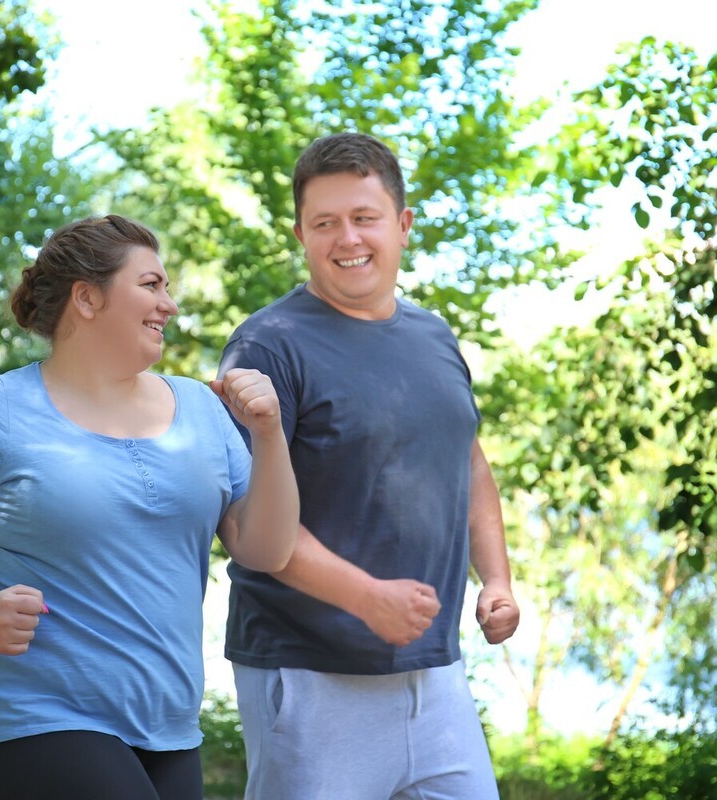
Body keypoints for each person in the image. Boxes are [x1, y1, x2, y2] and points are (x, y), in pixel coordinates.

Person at [0, 214, 299, 800]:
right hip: (33, 715)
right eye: (151, 285)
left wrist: (271, 432)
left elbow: (268, 549)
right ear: (87, 298)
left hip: (168, 725)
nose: (170, 305)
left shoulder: (203, 412)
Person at [219, 132, 521, 800]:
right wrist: (364, 597)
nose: (346, 238)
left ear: (403, 225)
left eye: (364, 218)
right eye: (325, 223)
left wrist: (495, 580)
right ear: (301, 233)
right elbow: (247, 522)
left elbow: (468, 465)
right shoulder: (266, 346)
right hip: (308, 676)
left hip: (436, 676)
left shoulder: (434, 338)